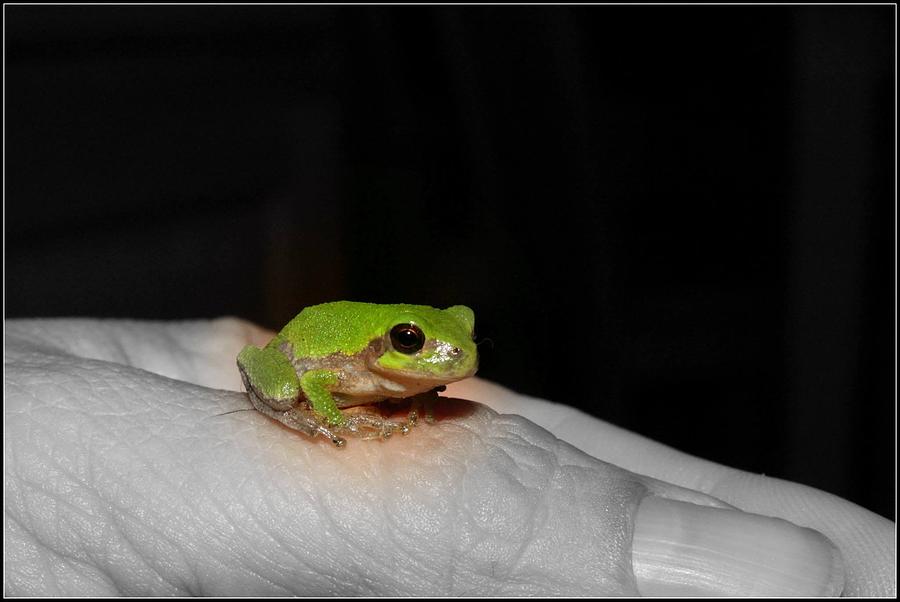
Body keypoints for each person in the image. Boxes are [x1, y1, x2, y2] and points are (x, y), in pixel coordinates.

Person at [4, 318, 894, 596]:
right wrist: (320, 417)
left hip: (357, 368)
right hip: (300, 362)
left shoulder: (421, 364)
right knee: (285, 389)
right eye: (415, 342)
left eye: (451, 340)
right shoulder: (341, 356)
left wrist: (417, 390)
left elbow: (436, 370)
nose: (449, 354)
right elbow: (294, 366)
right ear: (382, 344)